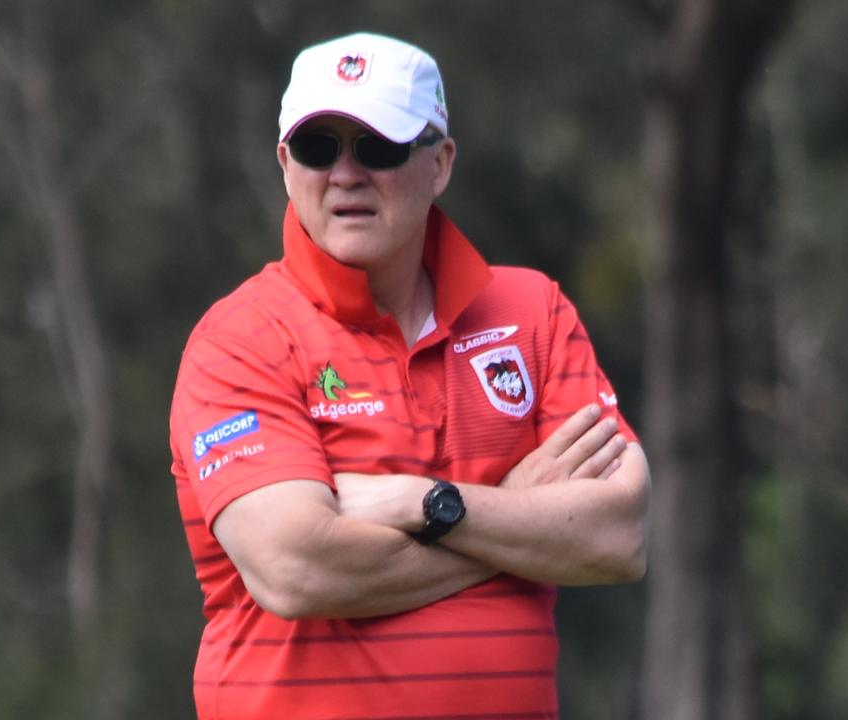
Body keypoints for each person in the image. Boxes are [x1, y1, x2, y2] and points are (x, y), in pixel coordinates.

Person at [169, 31, 650, 720]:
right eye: (317, 148)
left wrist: (418, 501)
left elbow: (617, 536)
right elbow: (298, 569)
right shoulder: (241, 338)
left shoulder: (533, 312)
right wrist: (512, 519)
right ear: (284, 163)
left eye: (378, 146)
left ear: (440, 162)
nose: (344, 174)